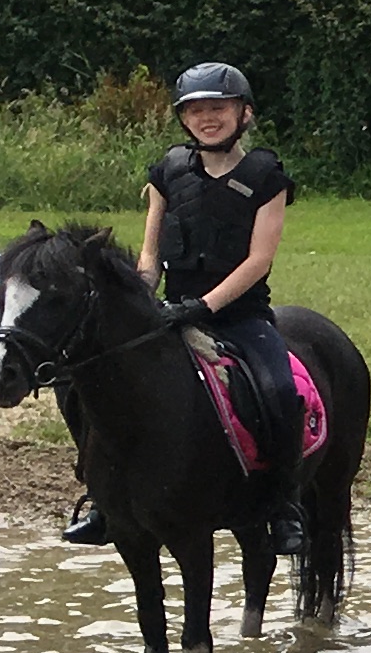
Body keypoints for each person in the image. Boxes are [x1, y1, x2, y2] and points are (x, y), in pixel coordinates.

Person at [66, 60, 306, 555]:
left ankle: (283, 505)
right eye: (196, 111)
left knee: (280, 392)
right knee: (85, 381)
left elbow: (259, 260)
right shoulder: (168, 172)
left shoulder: (267, 179)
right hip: (169, 311)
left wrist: (204, 306)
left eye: (218, 109)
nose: (207, 118)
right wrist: (141, 296)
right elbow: (150, 254)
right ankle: (101, 497)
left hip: (239, 315)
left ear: (244, 114)